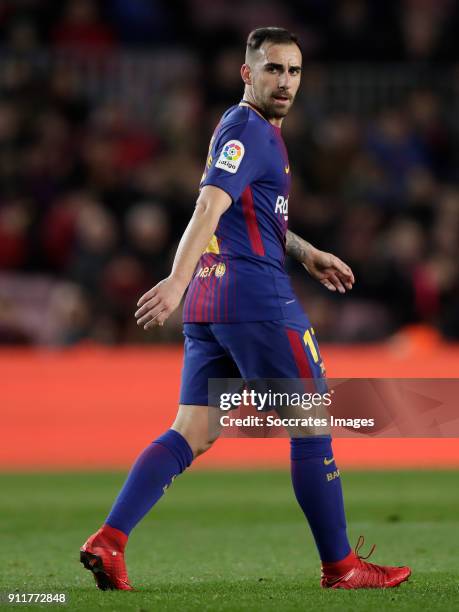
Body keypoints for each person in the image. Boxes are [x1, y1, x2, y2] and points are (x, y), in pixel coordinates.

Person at [80, 27, 411, 591]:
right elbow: (208, 206)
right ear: (247, 73)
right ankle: (342, 567)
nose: (285, 82)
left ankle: (109, 541)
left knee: (194, 430)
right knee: (312, 426)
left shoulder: (243, 132)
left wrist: (305, 252)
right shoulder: (248, 130)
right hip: (255, 301)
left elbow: (247, 216)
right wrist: (175, 281)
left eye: (294, 71)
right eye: (274, 69)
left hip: (214, 304)